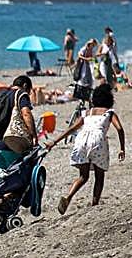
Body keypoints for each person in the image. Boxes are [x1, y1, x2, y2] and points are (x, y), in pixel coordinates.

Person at [48, 83, 126, 214]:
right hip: (98, 141)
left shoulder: (86, 113)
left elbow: (71, 128)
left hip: (81, 140)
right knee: (99, 176)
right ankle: (95, 204)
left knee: (83, 176)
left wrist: (54, 142)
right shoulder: (109, 113)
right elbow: (119, 128)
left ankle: (68, 196)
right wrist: (122, 148)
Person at [0, 75, 37, 171]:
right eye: (29, 91)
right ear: (25, 86)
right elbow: (26, 113)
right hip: (13, 144)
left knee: (0, 177)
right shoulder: (20, 94)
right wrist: (33, 136)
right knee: (17, 175)